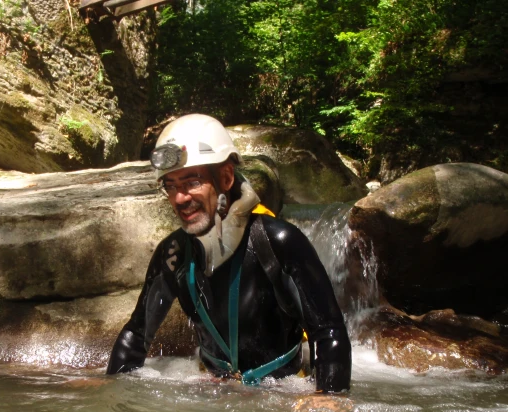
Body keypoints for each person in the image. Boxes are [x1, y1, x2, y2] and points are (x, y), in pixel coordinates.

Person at [106, 114, 351, 393]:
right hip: (211, 392)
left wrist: (328, 399)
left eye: (191, 182)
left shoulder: (277, 241)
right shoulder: (173, 255)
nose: (179, 198)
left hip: (283, 392)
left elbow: (328, 330)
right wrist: (109, 393)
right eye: (171, 186)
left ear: (225, 177)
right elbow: (135, 336)